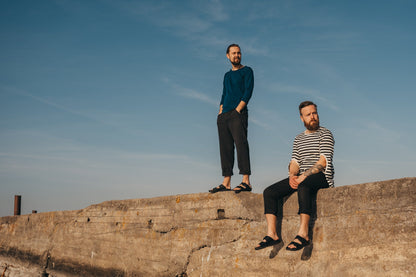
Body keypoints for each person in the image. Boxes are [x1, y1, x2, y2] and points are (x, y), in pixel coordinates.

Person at [255, 101, 334, 252]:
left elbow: (323, 162)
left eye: (314, 113)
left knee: (304, 186)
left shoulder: (325, 133)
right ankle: (272, 235)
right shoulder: (298, 139)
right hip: (301, 176)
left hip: (321, 176)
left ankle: (303, 234)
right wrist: (292, 175)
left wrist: (303, 176)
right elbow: (295, 162)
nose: (313, 117)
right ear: (301, 118)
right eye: (308, 115)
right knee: (269, 192)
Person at [209, 44, 254, 194]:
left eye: (239, 53)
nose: (237, 55)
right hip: (224, 116)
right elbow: (224, 94)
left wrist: (238, 110)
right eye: (233, 53)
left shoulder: (247, 71)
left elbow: (248, 91)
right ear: (228, 56)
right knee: (225, 149)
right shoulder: (227, 75)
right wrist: (220, 111)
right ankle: (226, 182)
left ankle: (245, 181)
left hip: (238, 113)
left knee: (241, 145)